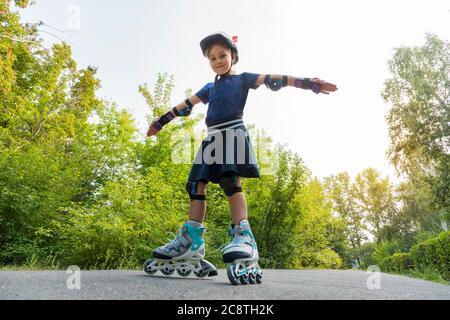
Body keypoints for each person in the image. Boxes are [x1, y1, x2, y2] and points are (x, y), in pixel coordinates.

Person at [143, 32, 338, 285]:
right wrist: (160, 121)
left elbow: (273, 78)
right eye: (212, 58)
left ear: (233, 56)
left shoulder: (243, 79)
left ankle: (244, 236)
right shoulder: (210, 88)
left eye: (222, 55)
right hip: (211, 138)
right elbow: (185, 104)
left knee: (229, 181)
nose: (217, 61)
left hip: (233, 133)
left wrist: (308, 83)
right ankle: (192, 240)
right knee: (195, 185)